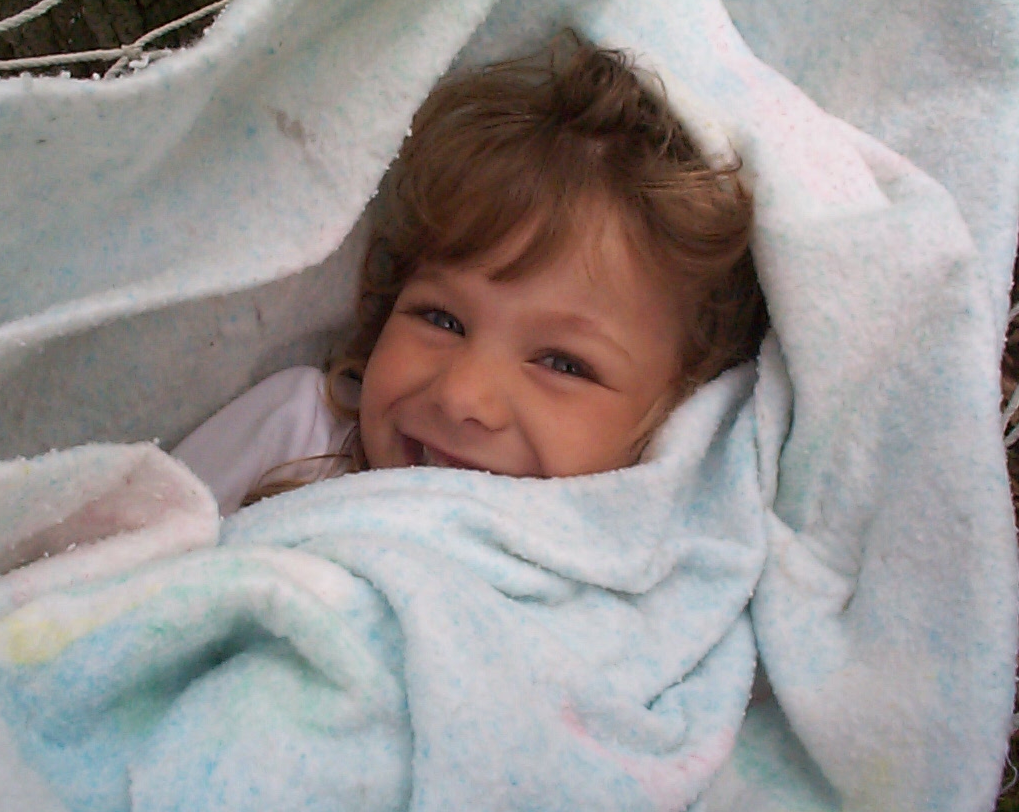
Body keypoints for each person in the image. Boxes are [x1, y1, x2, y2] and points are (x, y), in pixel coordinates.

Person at [173, 38, 767, 515]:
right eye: (442, 319)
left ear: (679, 418)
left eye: (562, 364)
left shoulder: (645, 576)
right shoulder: (298, 434)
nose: (461, 396)